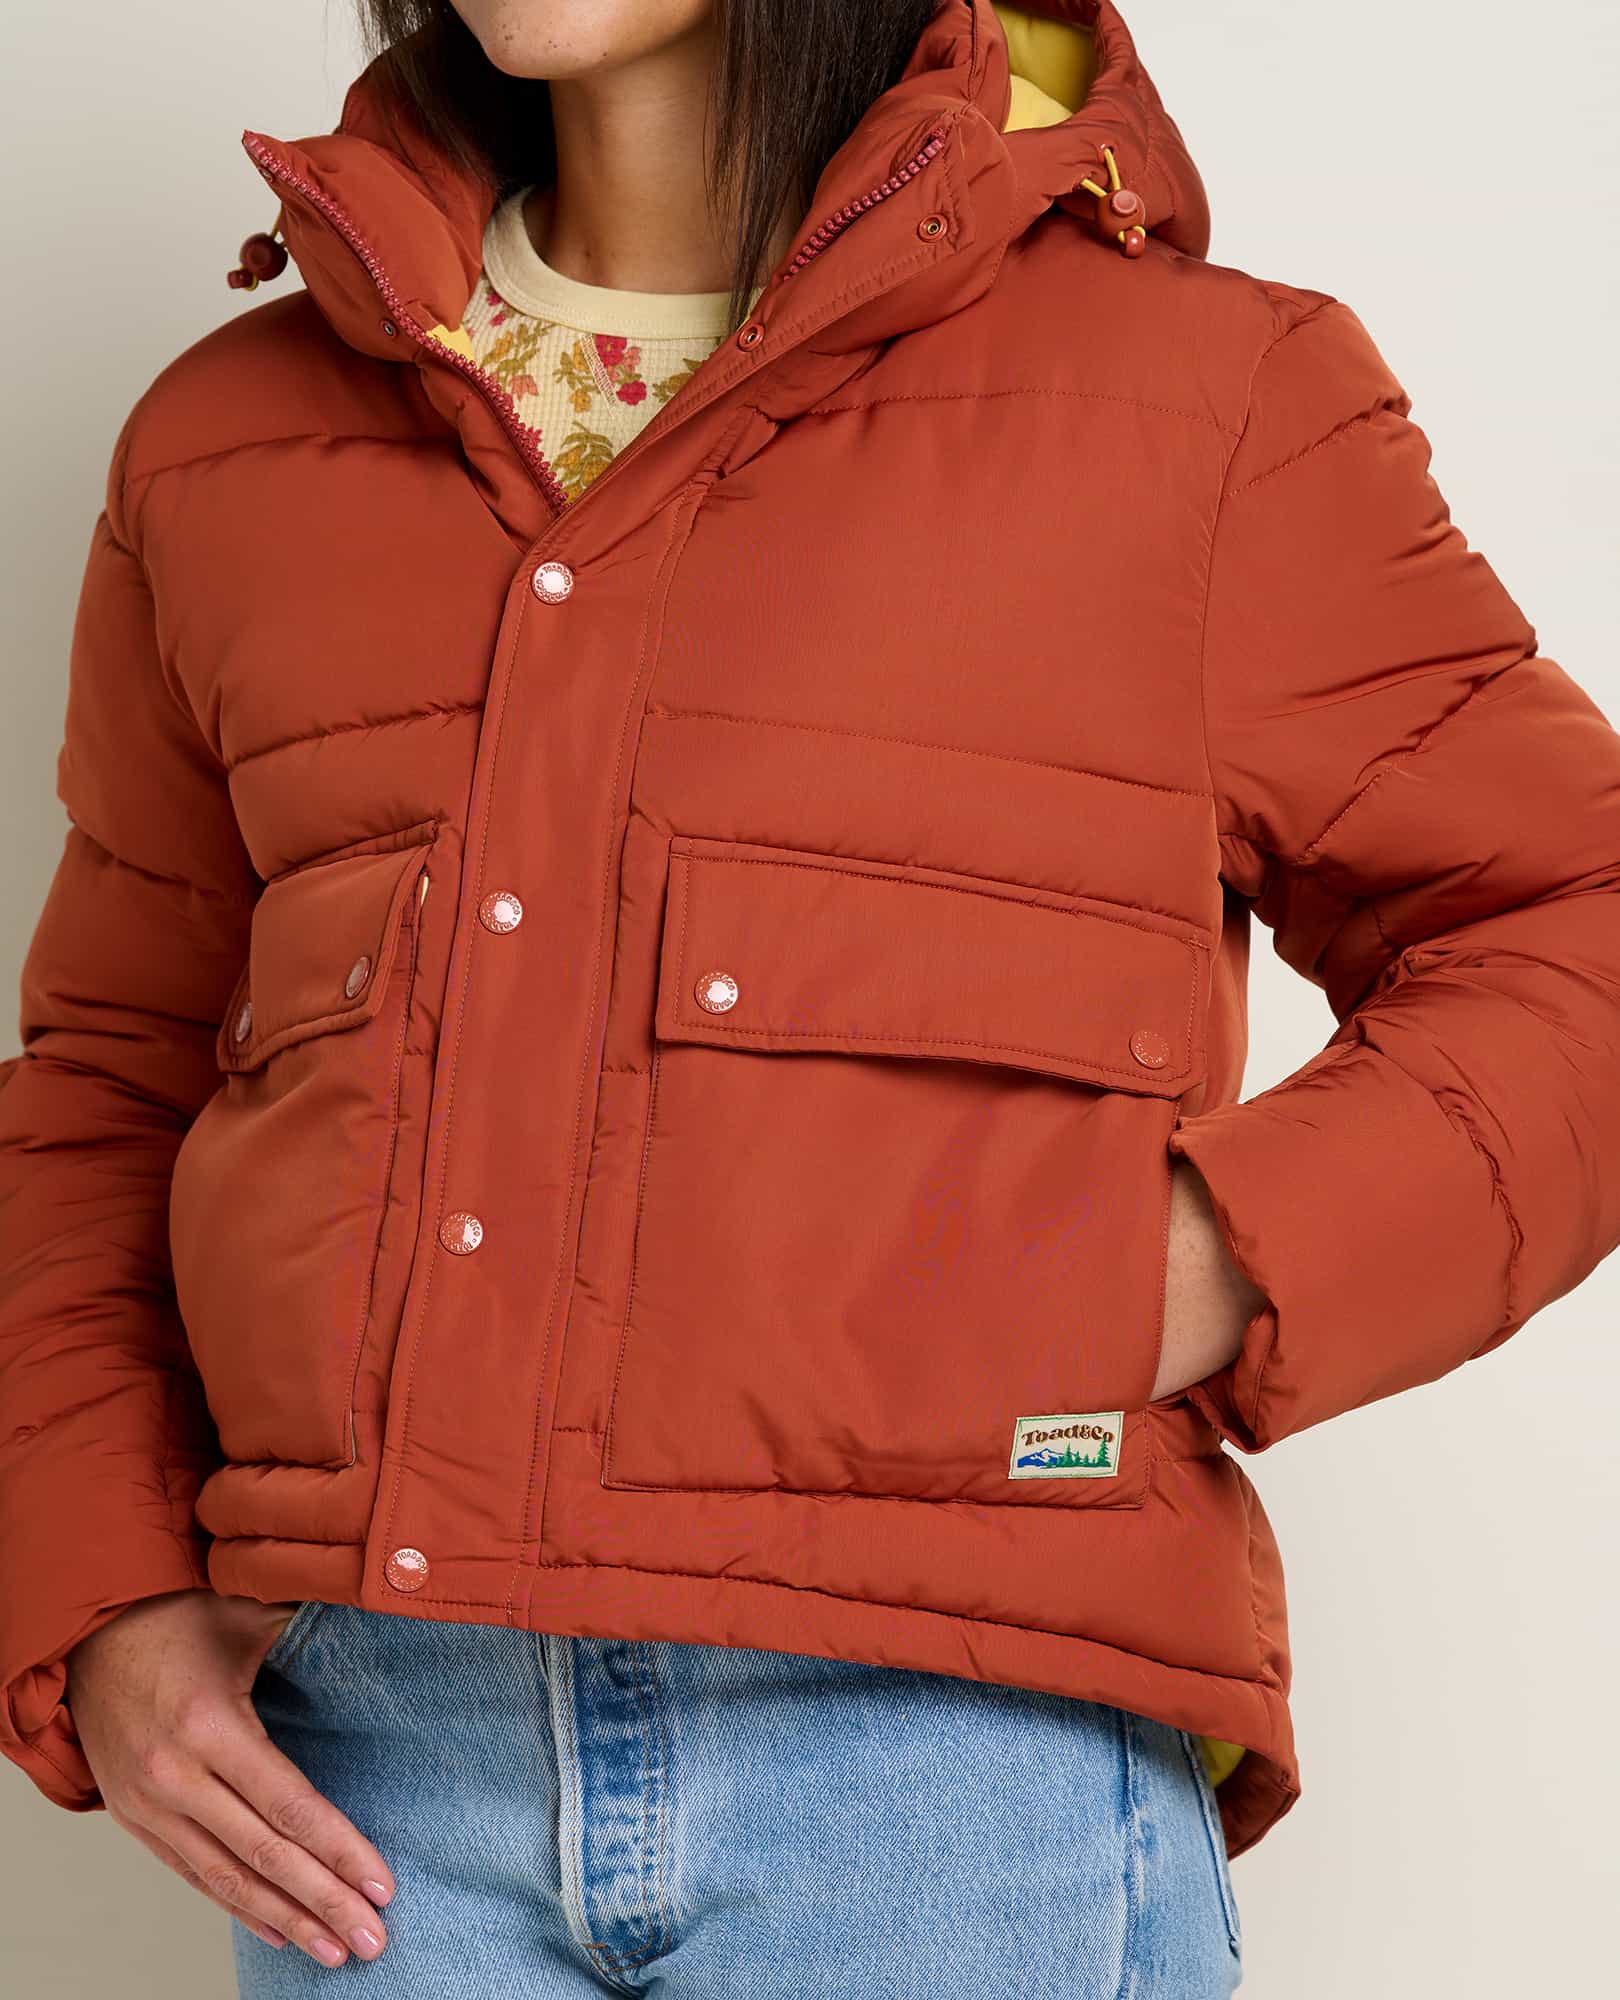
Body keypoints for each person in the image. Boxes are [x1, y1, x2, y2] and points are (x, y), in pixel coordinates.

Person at [1, 0, 1615, 1992]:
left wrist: (1195, 1265)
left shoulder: (1206, 399)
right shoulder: (229, 443)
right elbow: (108, 1078)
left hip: (951, 1754)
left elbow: (1575, 920)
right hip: (372, 1781)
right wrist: (101, 1593)